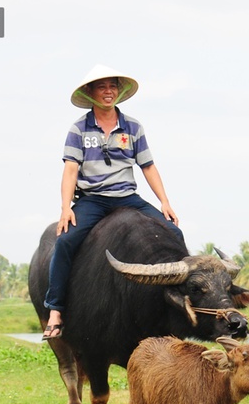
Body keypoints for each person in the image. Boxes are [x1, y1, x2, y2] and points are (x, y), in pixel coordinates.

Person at [42, 64, 183, 340]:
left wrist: (165, 202)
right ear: (91, 93)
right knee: (65, 241)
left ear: (119, 92)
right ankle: (55, 310)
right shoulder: (79, 129)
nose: (108, 92)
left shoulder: (133, 127)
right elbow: (71, 170)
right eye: (102, 87)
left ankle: (179, 302)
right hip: (92, 200)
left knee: (174, 232)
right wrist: (65, 209)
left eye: (113, 86)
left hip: (127, 198)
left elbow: (148, 167)